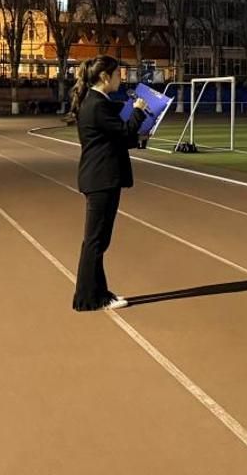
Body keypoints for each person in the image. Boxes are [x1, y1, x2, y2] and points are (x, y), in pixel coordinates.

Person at [70, 56, 150, 311]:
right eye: (117, 74)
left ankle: (98, 293)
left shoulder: (98, 102)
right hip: (101, 179)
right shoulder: (97, 104)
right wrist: (139, 111)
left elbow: (119, 138)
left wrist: (139, 133)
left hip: (100, 178)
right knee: (95, 241)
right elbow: (124, 132)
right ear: (105, 76)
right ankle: (87, 298)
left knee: (98, 241)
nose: (121, 78)